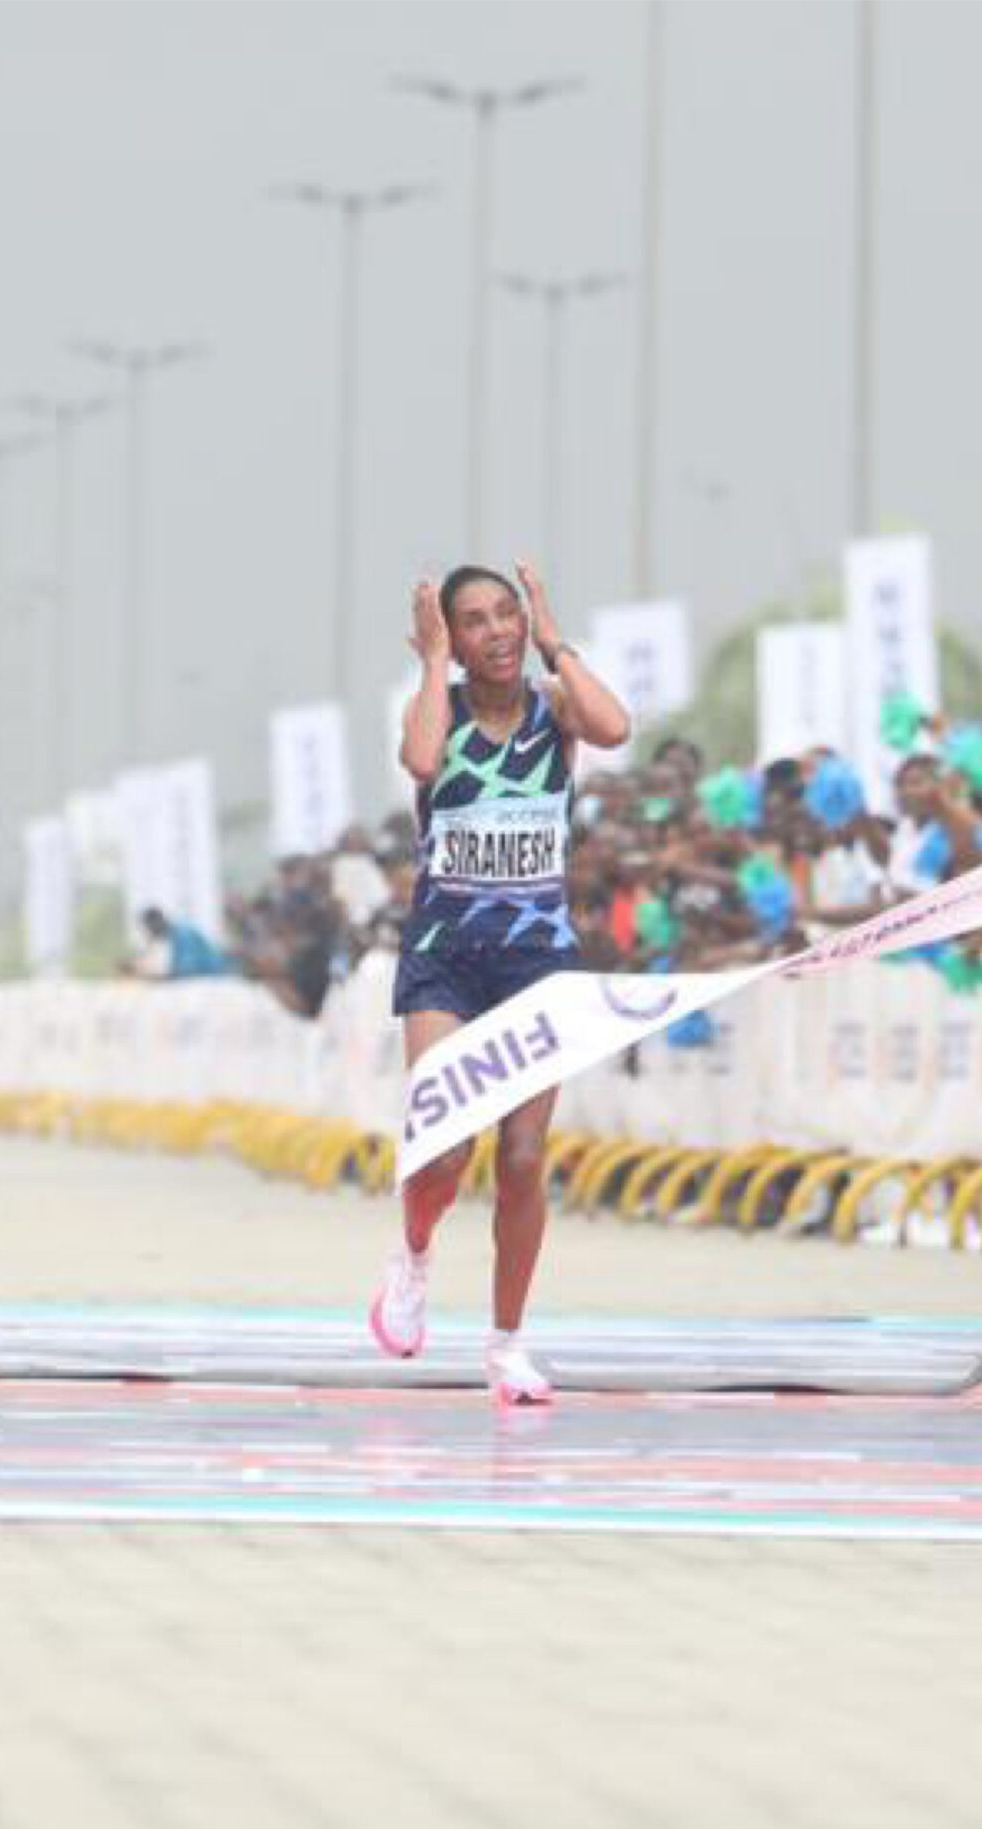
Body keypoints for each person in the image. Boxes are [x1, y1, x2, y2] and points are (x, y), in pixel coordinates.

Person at [372, 562, 631, 1405]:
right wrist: (431, 662)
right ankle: (413, 1255)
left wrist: (557, 642)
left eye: (506, 616)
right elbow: (417, 757)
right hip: (446, 956)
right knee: (446, 1145)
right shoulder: (437, 714)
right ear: (452, 636)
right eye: (474, 621)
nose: (497, 632)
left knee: (522, 1158)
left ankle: (507, 1343)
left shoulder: (555, 710)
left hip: (536, 960)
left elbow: (616, 726)